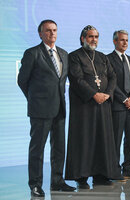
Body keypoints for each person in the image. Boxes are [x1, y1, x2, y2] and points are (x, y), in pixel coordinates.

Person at [18, 19, 76, 197]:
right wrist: (35, 99)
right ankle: (35, 184)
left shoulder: (64, 54)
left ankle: (57, 181)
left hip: (59, 108)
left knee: (58, 148)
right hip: (40, 109)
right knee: (38, 149)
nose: (52, 34)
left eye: (54, 30)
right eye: (48, 31)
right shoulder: (32, 53)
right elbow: (22, 81)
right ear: (40, 33)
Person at [65, 25, 123, 189]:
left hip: (103, 105)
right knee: (84, 139)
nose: (94, 40)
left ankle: (101, 174)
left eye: (96, 37)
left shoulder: (103, 57)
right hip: (84, 106)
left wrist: (108, 93)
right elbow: (77, 79)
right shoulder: (74, 56)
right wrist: (93, 94)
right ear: (83, 38)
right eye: (90, 36)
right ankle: (81, 177)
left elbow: (112, 77)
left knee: (102, 139)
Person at [107, 30, 130, 179]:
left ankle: (127, 167)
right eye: (122, 40)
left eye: (127, 40)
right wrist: (124, 99)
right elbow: (111, 83)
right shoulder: (107, 59)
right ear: (115, 41)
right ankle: (114, 169)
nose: (125, 43)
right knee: (116, 139)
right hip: (117, 106)